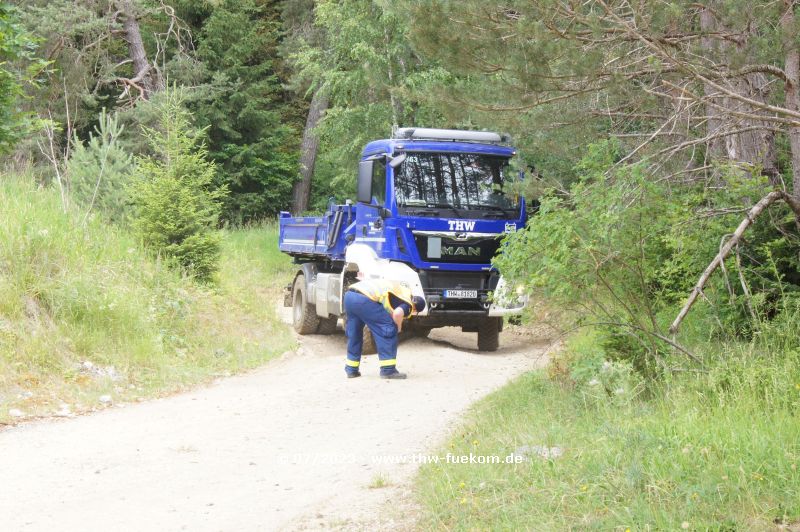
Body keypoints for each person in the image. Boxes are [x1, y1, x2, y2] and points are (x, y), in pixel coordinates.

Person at [343, 278, 426, 379]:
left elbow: (387, 307)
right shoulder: (409, 304)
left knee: (354, 334)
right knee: (388, 330)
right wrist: (398, 327)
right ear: (415, 309)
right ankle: (388, 370)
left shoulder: (402, 292)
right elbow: (397, 313)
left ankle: (351, 370)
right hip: (364, 299)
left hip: (350, 296)